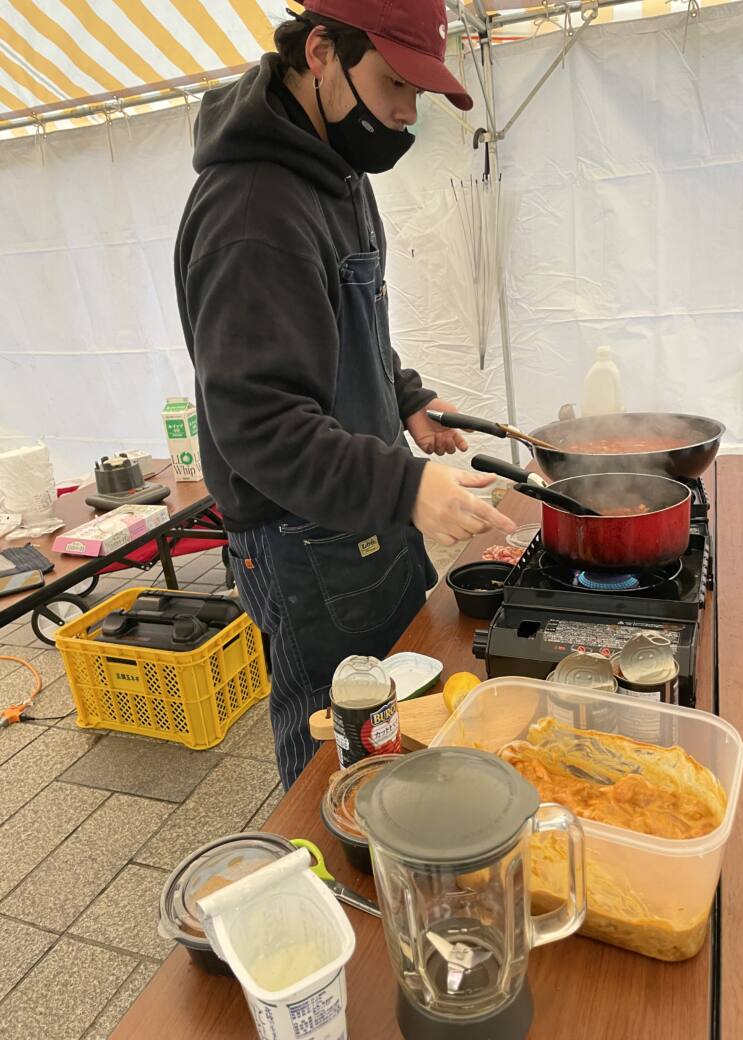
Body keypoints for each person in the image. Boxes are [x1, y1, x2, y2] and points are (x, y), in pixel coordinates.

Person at [175, 0, 514, 789]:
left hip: (358, 496)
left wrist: (404, 398)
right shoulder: (252, 210)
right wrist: (404, 486)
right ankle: (328, 863)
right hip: (300, 535)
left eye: (418, 93)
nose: (406, 113)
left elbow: (351, 318)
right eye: (394, 83)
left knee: (404, 699)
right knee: (336, 744)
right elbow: (257, 425)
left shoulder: (335, 169)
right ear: (322, 50)